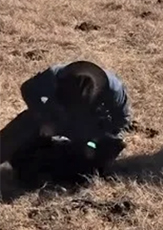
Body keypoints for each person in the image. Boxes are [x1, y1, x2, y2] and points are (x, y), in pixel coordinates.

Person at [0, 60, 132, 187]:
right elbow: (28, 89)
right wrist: (46, 119)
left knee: (95, 160)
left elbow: (121, 120)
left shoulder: (114, 90)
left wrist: (94, 140)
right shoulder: (55, 75)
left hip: (89, 129)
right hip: (56, 118)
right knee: (26, 123)